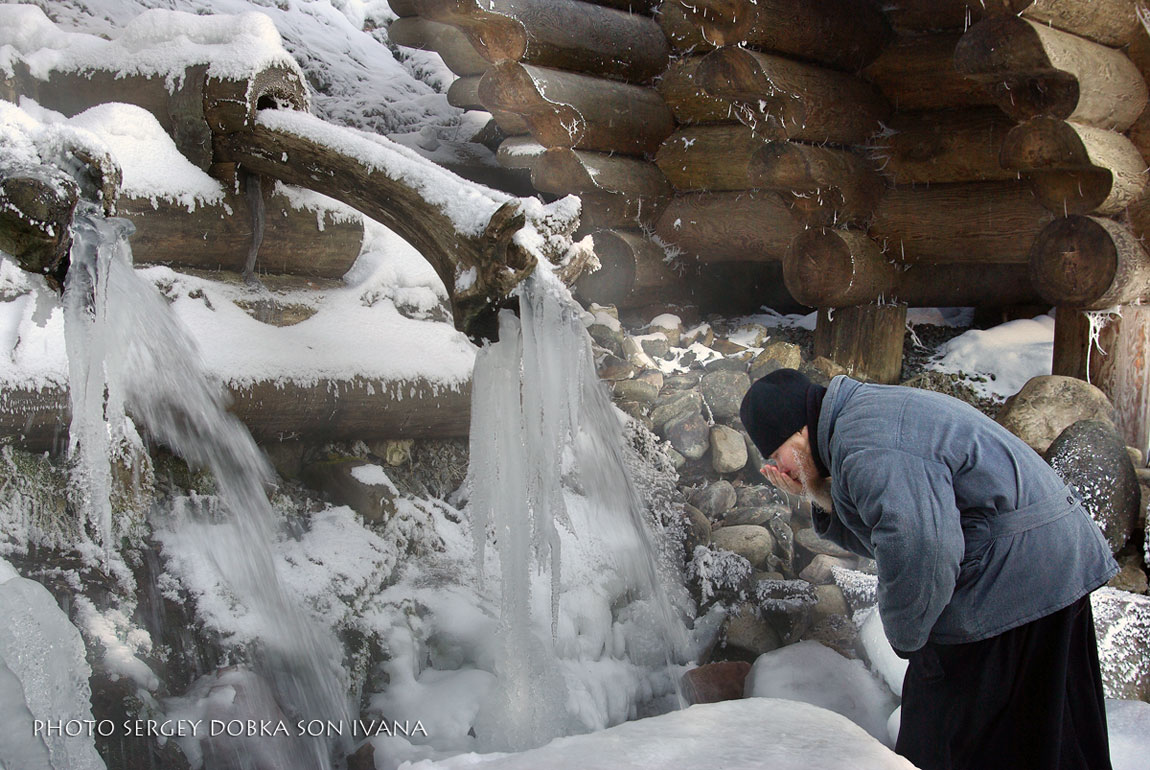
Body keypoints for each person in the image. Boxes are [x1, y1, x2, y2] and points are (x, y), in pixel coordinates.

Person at [739, 368, 1118, 770]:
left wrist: (908, 636)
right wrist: (817, 494)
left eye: (775, 456)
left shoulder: (866, 444)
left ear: (798, 432)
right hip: (1046, 561)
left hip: (1019, 572)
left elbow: (921, 544)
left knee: (948, 736)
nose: (780, 470)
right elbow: (886, 528)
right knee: (1049, 735)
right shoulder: (860, 421)